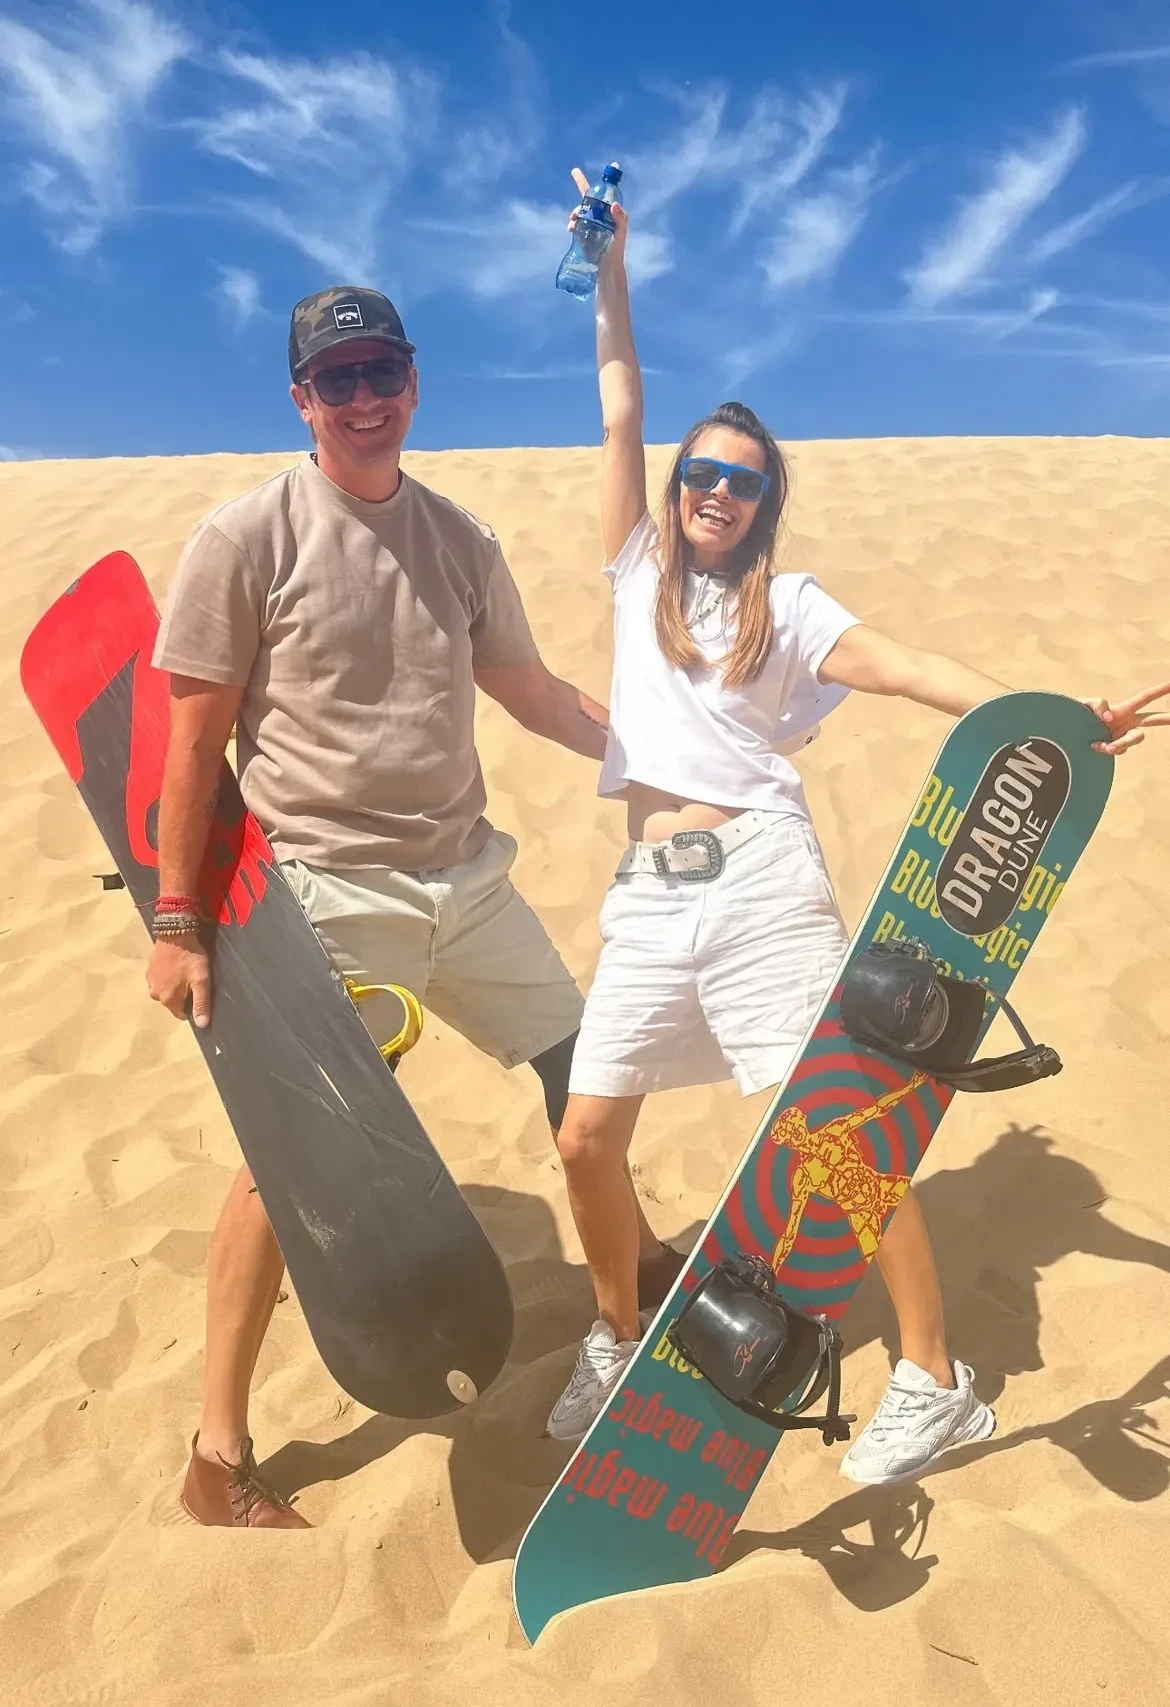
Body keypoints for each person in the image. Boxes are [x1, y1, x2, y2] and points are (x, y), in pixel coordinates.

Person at [545, 167, 1170, 1484]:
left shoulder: (790, 607)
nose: (716, 492)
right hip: (650, 896)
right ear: (675, 485)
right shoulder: (637, 570)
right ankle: (614, 1334)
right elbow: (619, 400)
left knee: (830, 1132)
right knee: (586, 1139)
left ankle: (934, 1379)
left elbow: (901, 667)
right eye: (701, 473)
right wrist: (610, 270)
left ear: (763, 505)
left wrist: (1046, 718)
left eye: (742, 483)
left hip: (760, 880)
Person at [146, 285, 684, 1528]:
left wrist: (656, 753)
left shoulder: (460, 540)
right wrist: (178, 922)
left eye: (381, 371)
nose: (364, 398)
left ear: (413, 380)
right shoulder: (247, 538)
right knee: (296, 1162)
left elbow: (528, 688)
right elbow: (190, 748)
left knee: (588, 1073)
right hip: (329, 891)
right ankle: (218, 1452)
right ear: (302, 399)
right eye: (337, 379)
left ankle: (641, 1262)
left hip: (469, 880)